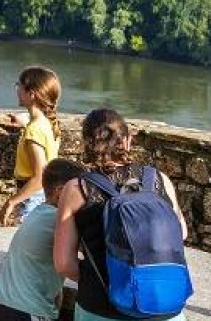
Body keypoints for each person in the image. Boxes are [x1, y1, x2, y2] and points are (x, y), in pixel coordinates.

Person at [52, 109, 189, 321]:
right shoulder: (159, 180)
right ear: (127, 140)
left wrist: (109, 281)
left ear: (87, 143)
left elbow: (63, 263)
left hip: (101, 308)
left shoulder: (77, 188)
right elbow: (180, 234)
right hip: (163, 307)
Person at [0, 158, 88, 321]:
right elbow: (93, 248)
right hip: (26, 311)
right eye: (81, 191)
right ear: (61, 191)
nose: (85, 198)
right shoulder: (59, 220)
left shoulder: (38, 213)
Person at [0, 67, 63, 226]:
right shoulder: (46, 123)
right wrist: (25, 124)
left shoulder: (34, 130)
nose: (17, 90)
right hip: (42, 195)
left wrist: (12, 202)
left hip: (32, 197)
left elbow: (39, 177)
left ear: (31, 94)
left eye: (18, 86)